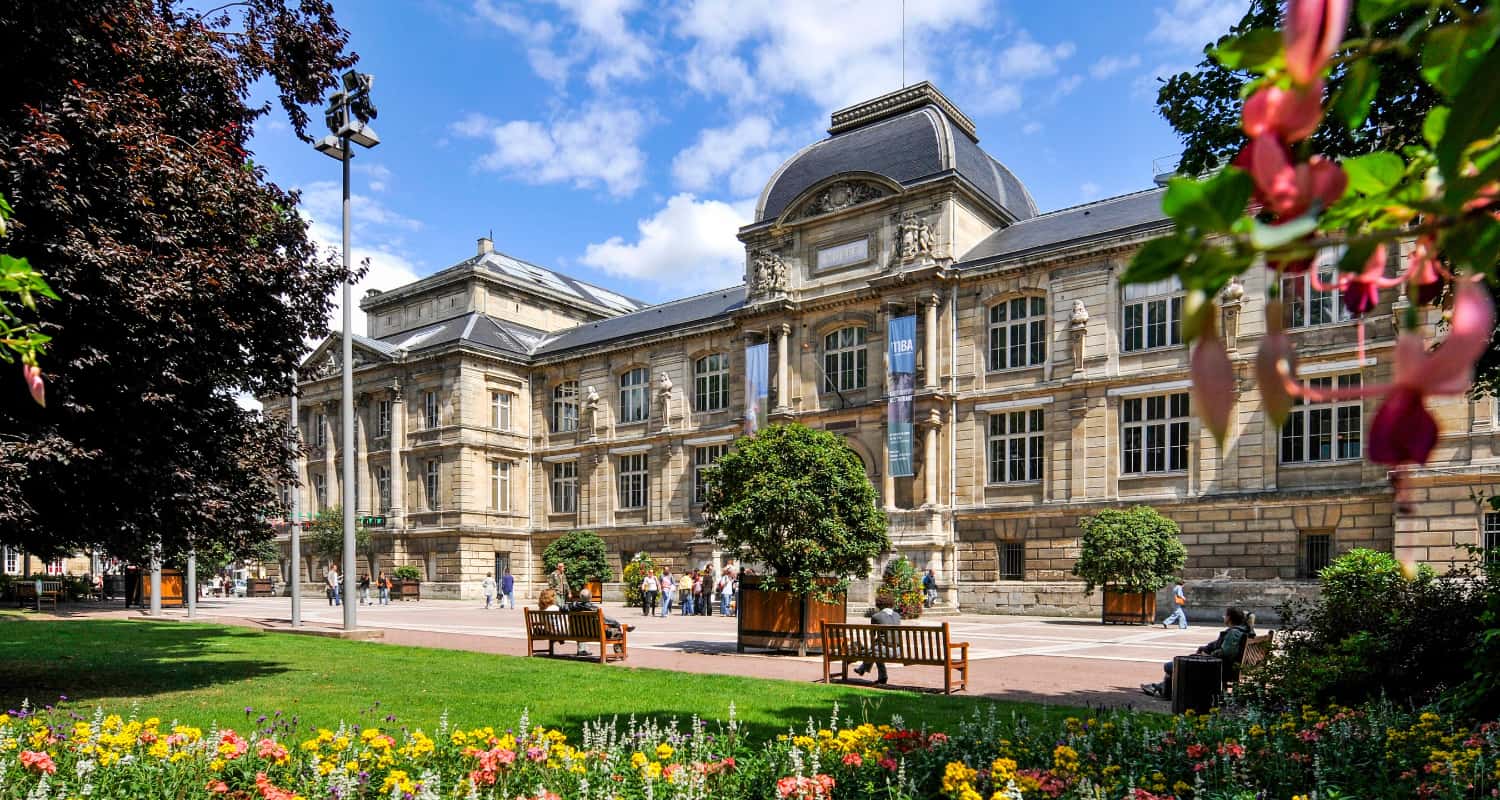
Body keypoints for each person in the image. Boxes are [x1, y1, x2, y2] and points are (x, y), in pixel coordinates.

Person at [1141, 607, 1255, 698]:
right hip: (1225, 665)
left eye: (1225, 615)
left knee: (1173, 666)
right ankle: (1160, 688)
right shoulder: (1241, 630)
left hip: (1220, 667)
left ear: (1229, 618)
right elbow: (1221, 646)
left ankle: (1164, 691)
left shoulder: (1234, 633)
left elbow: (1227, 652)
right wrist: (1205, 648)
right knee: (1180, 664)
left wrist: (1208, 655)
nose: (1224, 617)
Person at [569, 587, 632, 657]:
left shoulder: (573, 608)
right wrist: (618, 624)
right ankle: (619, 652)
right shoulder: (594, 609)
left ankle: (582, 650)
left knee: (581, 627)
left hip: (579, 633)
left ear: (580, 597)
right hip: (597, 633)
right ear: (590, 597)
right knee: (619, 631)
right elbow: (606, 620)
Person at [854, 594, 902, 685]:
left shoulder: (876, 617)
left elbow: (872, 635)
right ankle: (882, 677)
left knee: (873, 651)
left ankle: (863, 668)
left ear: (879, 604)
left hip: (884, 650)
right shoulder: (897, 616)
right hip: (898, 651)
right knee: (877, 651)